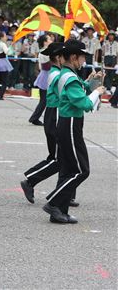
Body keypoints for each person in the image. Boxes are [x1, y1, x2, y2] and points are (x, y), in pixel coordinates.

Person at [42, 40, 105, 224]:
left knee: (69, 169)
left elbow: (80, 89)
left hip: (68, 123)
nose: (84, 60)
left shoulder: (68, 74)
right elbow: (84, 104)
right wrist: (97, 92)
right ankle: (54, 203)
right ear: (73, 57)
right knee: (81, 170)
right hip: (70, 124)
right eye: (82, 57)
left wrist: (91, 82)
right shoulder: (69, 77)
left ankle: (60, 211)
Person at [21, 42, 73, 203]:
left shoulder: (56, 72)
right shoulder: (56, 74)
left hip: (53, 115)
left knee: (62, 157)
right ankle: (31, 180)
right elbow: (68, 94)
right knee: (58, 159)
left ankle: (65, 192)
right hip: (56, 116)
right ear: (58, 58)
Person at [27, 35, 53, 126]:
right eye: (49, 39)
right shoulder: (44, 52)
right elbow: (45, 66)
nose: (51, 40)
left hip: (47, 75)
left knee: (45, 100)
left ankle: (35, 118)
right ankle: (34, 118)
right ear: (45, 42)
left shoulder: (47, 51)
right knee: (44, 100)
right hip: (45, 76)